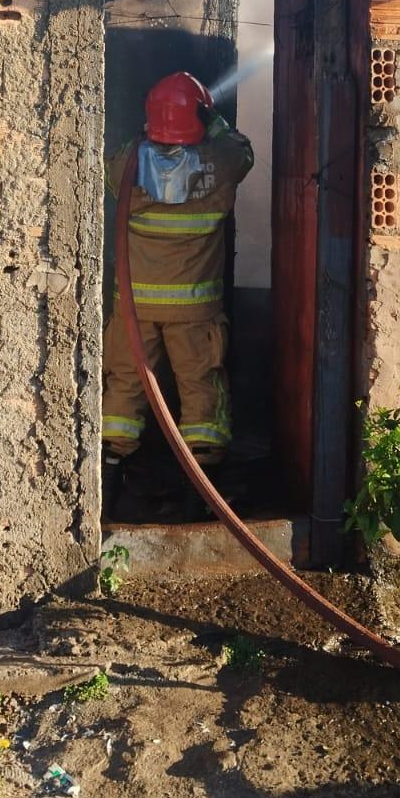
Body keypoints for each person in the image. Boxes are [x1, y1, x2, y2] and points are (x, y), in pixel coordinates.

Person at [102, 71, 254, 515]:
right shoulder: (222, 161)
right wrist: (215, 123)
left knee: (124, 386)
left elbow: (112, 167)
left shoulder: (127, 164)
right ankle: (201, 492)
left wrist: (144, 135)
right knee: (201, 388)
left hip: (135, 308)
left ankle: (108, 481)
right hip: (194, 307)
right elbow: (242, 151)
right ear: (200, 116)